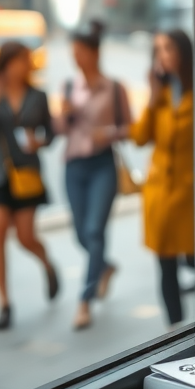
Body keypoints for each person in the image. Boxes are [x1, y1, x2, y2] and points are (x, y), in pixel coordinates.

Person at [131, 29, 195, 326]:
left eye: (167, 48)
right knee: (164, 263)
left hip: (194, 190)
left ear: (184, 52)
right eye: (157, 50)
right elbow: (140, 137)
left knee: (194, 259)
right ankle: (174, 333)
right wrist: (151, 98)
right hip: (160, 192)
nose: (161, 55)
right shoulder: (160, 93)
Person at [0, 42, 58, 330]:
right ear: (6, 64)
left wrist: (39, 141)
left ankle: (47, 263)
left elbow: (51, 133)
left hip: (26, 175)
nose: (25, 65)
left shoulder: (38, 96)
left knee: (25, 237)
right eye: (20, 60)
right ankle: (5, 303)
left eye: (26, 61)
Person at [56, 19, 131, 330]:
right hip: (73, 166)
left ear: (94, 52)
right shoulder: (68, 86)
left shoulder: (114, 88)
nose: (75, 57)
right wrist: (61, 115)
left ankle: (84, 301)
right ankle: (105, 266)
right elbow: (60, 130)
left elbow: (130, 127)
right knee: (80, 233)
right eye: (73, 51)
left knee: (95, 231)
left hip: (102, 165)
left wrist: (109, 132)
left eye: (80, 51)